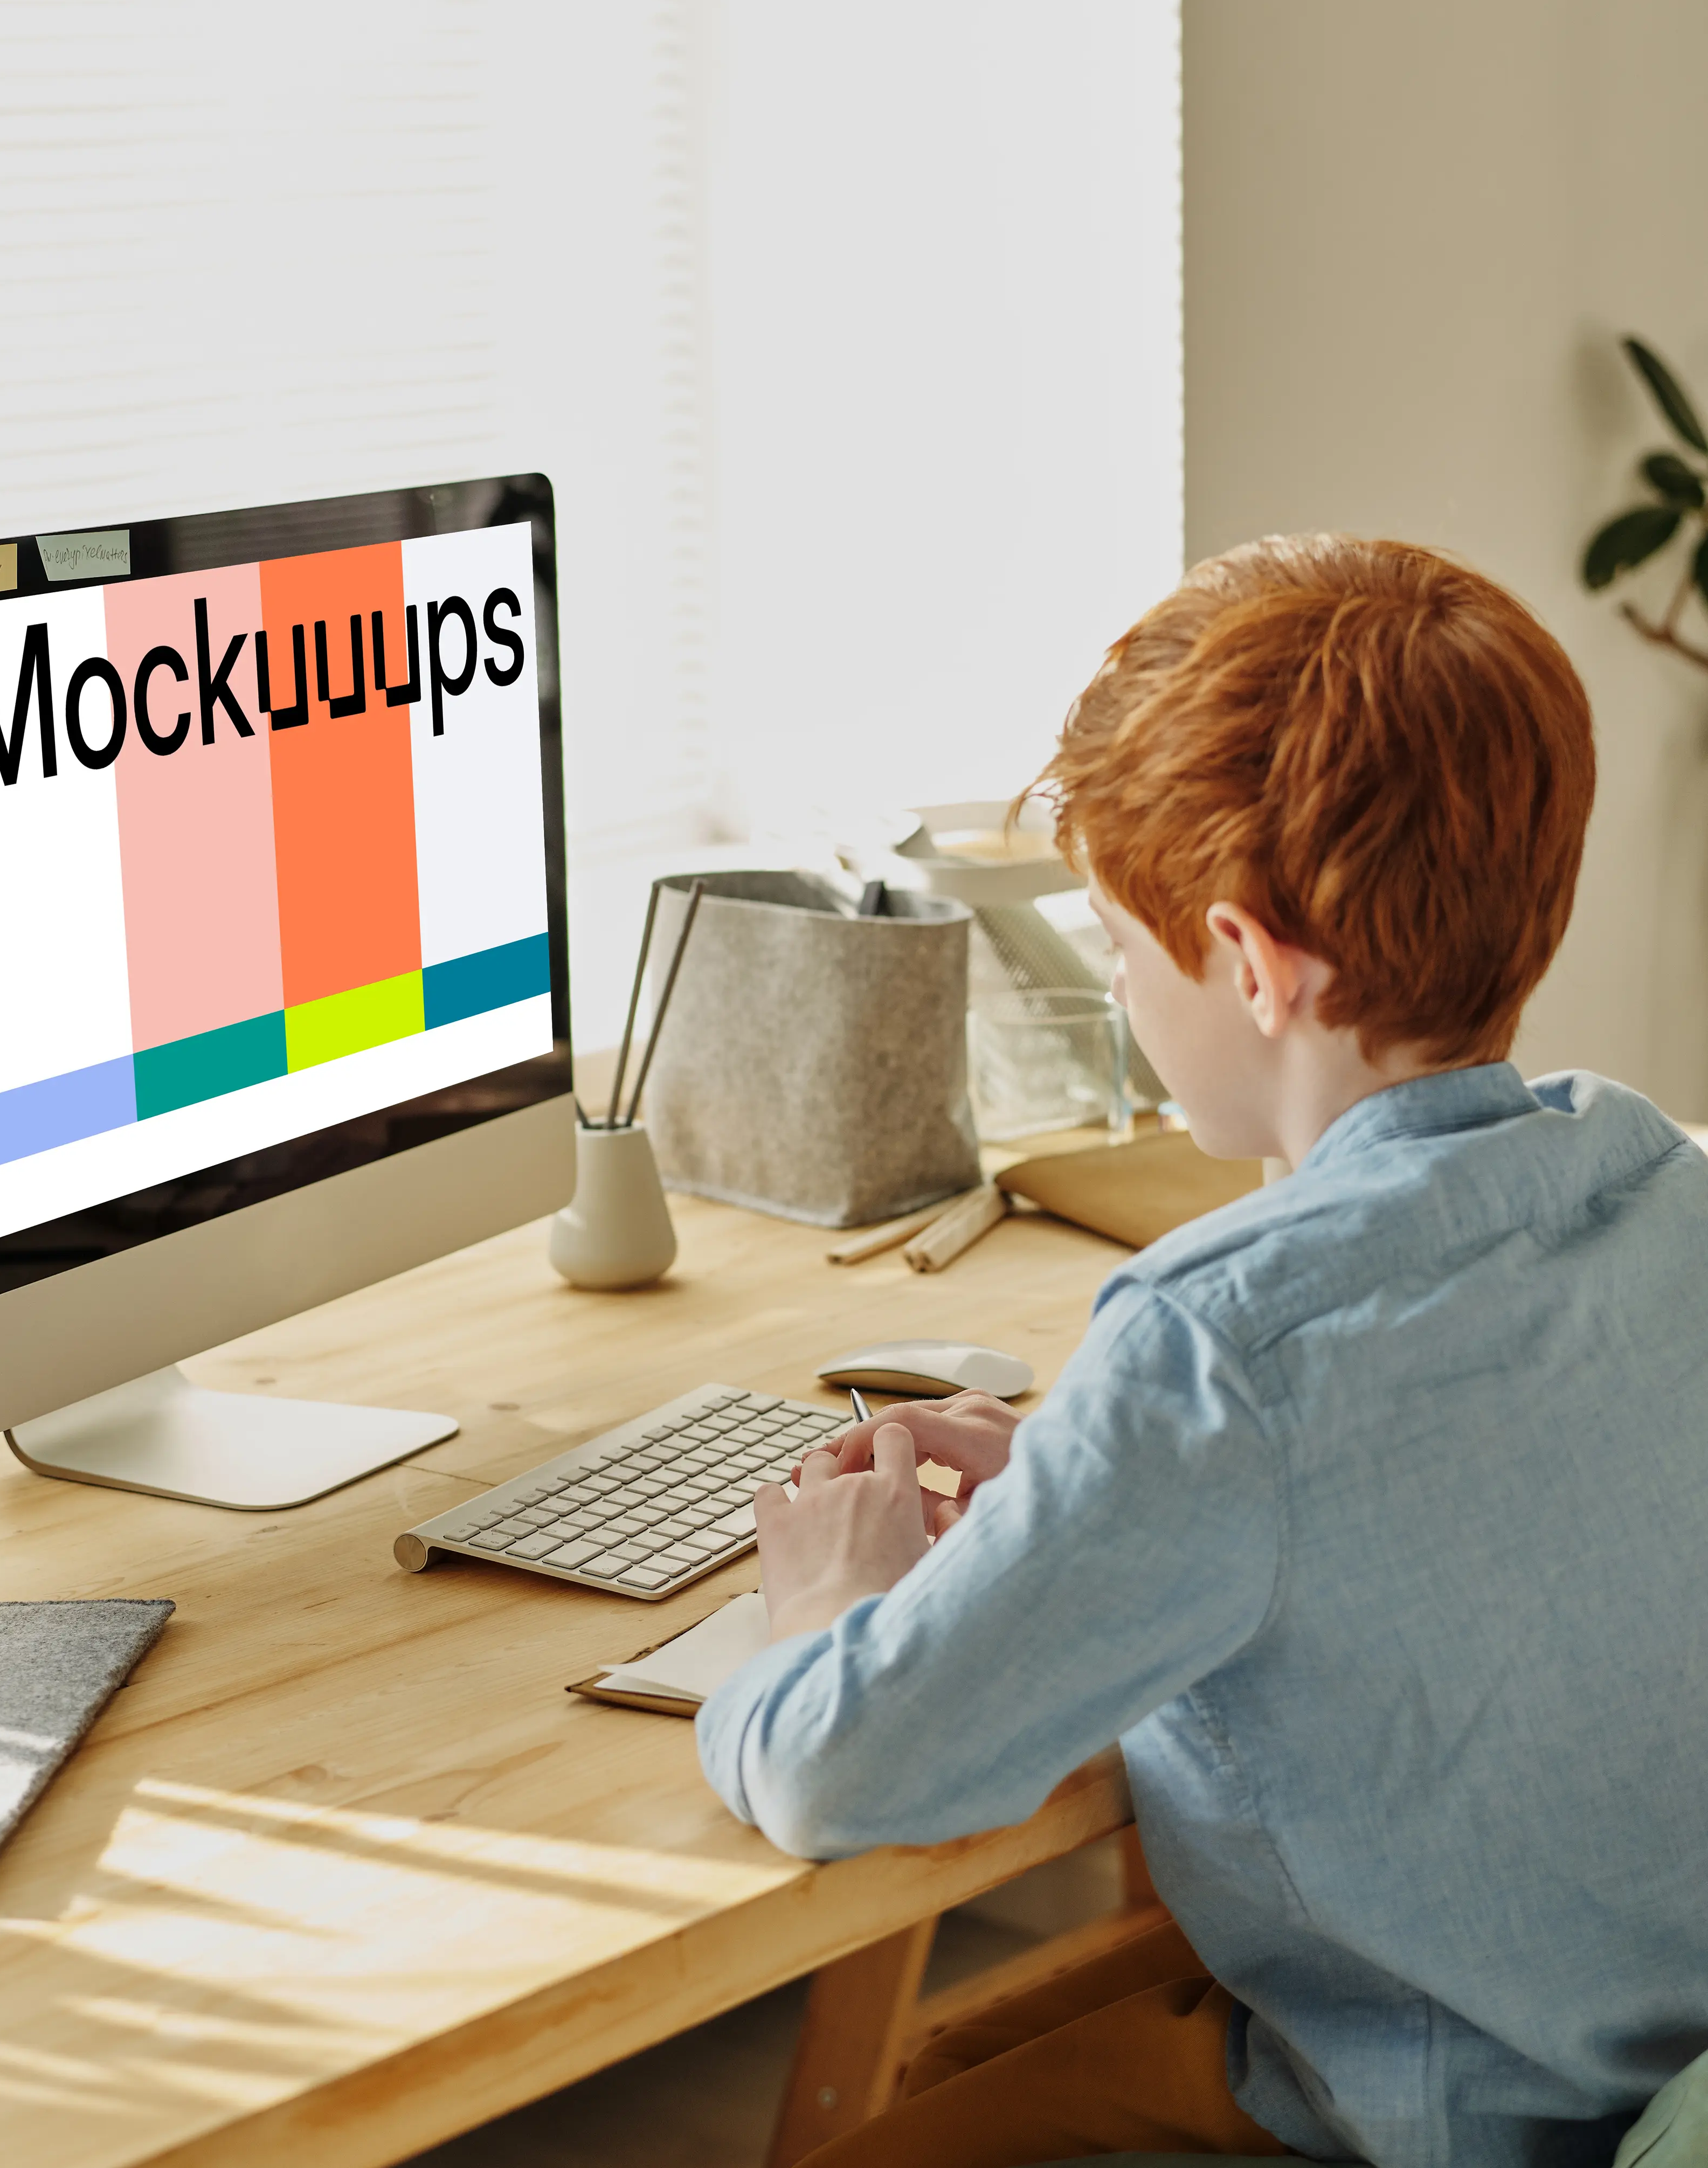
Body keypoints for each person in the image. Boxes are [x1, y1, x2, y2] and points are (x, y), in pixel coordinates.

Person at [695, 535, 1708, 2168]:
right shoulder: (1664, 1181)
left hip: (1463, 2115)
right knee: (973, 2047)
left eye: (1116, 935)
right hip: (1653, 2050)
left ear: (1250, 962)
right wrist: (1091, 1497)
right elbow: (1420, 1504)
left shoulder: (1215, 1348)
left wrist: (818, 1609)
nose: (1115, 975)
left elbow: (836, 1773)